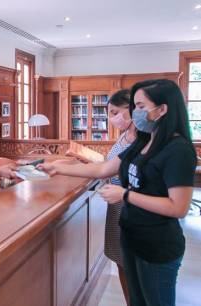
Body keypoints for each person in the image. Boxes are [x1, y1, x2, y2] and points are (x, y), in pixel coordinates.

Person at [38, 79, 197, 306]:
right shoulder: (143, 141)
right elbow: (104, 168)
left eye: (141, 107)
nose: (136, 112)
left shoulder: (178, 149)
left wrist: (125, 195)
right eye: (134, 106)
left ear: (162, 109)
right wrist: (58, 168)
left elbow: (178, 207)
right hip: (132, 237)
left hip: (157, 245)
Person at [103, 89, 136, 305]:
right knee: (121, 262)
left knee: (132, 265)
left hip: (129, 205)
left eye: (116, 111)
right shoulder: (124, 135)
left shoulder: (142, 139)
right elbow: (108, 167)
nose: (113, 118)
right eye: (110, 113)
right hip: (115, 208)